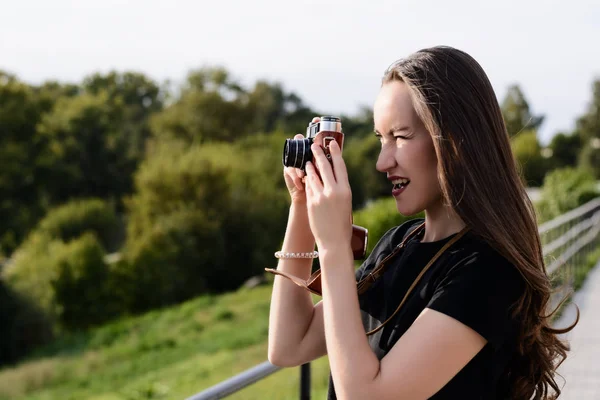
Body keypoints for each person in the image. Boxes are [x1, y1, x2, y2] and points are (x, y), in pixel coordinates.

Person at [266, 45, 577, 400]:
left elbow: (368, 396)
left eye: (400, 137)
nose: (383, 162)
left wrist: (335, 247)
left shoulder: (488, 271)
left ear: (455, 142)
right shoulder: (397, 245)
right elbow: (289, 345)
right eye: (380, 138)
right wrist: (302, 206)